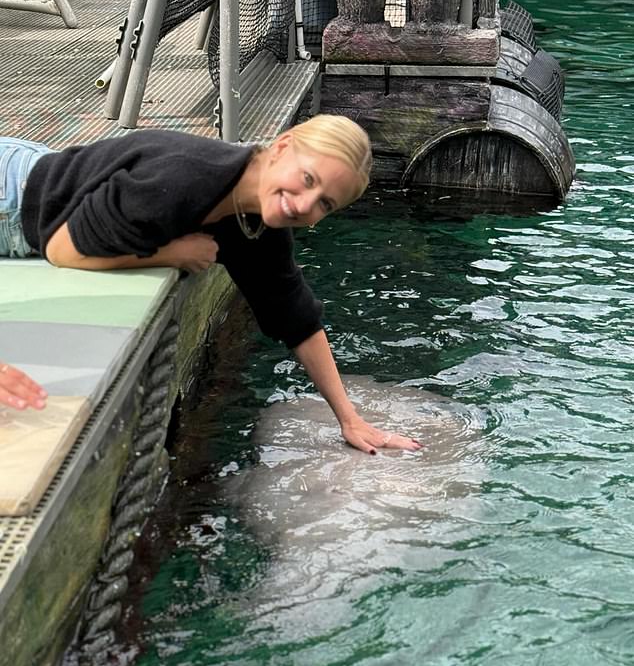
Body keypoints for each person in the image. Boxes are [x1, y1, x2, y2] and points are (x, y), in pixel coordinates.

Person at [0, 117, 422, 454]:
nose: (306, 204)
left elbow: (295, 316)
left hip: (39, 180)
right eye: (309, 180)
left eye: (325, 204)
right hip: (13, 199)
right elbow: (61, 248)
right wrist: (170, 255)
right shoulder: (186, 179)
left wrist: (348, 418)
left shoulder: (258, 222)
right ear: (282, 147)